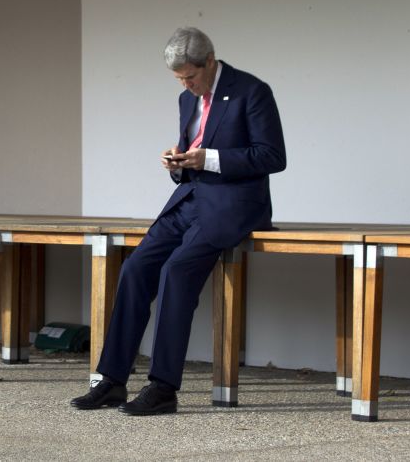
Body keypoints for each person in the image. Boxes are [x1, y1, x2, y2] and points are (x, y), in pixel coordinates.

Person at [71, 26, 286, 415]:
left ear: (210, 61)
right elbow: (193, 155)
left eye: (191, 76)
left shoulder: (252, 91)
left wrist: (210, 158)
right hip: (188, 199)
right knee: (135, 268)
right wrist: (178, 161)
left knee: (175, 272)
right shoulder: (186, 99)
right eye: (179, 79)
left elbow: (272, 157)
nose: (187, 86)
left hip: (233, 205)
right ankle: (112, 379)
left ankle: (163, 387)